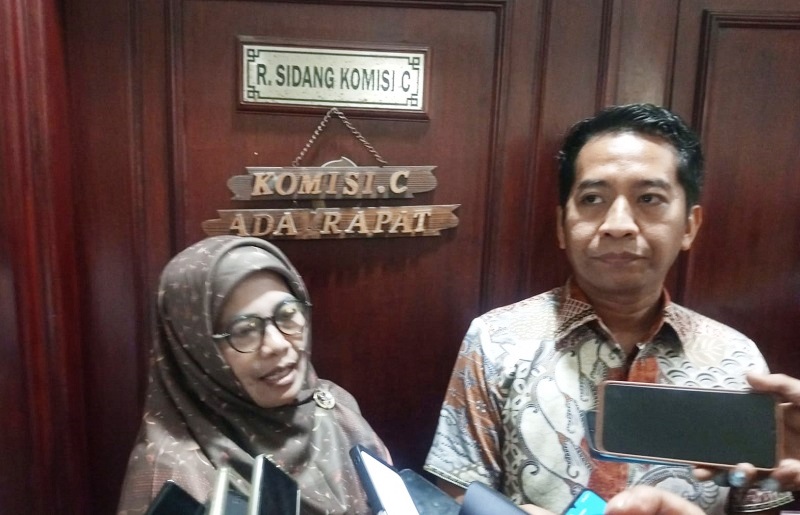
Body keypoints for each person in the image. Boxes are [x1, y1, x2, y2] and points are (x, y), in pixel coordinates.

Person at [423, 103, 794, 514]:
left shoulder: (735, 360)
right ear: (562, 225)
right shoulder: (496, 342)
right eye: (593, 198)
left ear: (689, 226)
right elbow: (457, 500)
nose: (618, 224)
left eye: (649, 198)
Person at [117, 235, 389, 514]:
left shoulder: (335, 408)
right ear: (197, 350)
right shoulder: (173, 477)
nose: (277, 344)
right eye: (244, 330)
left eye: (287, 314)